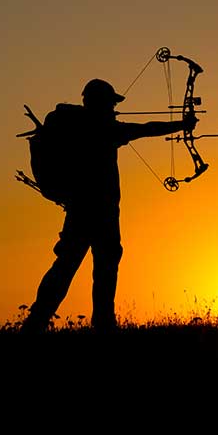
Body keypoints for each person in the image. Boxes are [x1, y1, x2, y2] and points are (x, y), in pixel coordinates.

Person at [21, 78, 197, 334]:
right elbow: (146, 128)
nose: (113, 107)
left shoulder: (79, 128)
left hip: (78, 211)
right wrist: (182, 124)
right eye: (111, 102)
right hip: (100, 214)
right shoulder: (102, 131)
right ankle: (102, 324)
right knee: (100, 268)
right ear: (100, 103)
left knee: (67, 265)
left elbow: (142, 128)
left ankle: (36, 323)